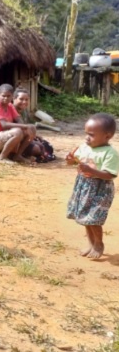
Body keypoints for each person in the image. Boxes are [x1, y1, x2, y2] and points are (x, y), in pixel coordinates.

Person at [65, 113, 118, 260]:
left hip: (100, 188)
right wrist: (70, 160)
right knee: (84, 217)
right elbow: (75, 162)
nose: (87, 138)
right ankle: (91, 243)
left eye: (92, 135)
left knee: (93, 218)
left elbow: (110, 175)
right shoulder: (84, 147)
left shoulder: (110, 153)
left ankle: (99, 244)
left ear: (107, 136)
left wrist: (91, 171)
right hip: (83, 186)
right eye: (86, 134)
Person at [0, 84, 36, 164]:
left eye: (8, 96)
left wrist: (29, 129)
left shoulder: (10, 106)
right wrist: (25, 126)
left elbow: (19, 120)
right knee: (17, 131)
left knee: (32, 128)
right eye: (3, 96)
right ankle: (2, 158)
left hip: (1, 137)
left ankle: (18, 155)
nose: (6, 98)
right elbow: (4, 124)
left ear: (12, 96)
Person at [13, 88, 55, 163]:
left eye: (26, 99)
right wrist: (32, 141)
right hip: (17, 140)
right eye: (21, 99)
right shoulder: (11, 111)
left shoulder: (24, 112)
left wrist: (35, 136)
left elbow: (26, 127)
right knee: (37, 149)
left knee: (48, 147)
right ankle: (20, 155)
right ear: (14, 99)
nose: (24, 102)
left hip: (26, 138)